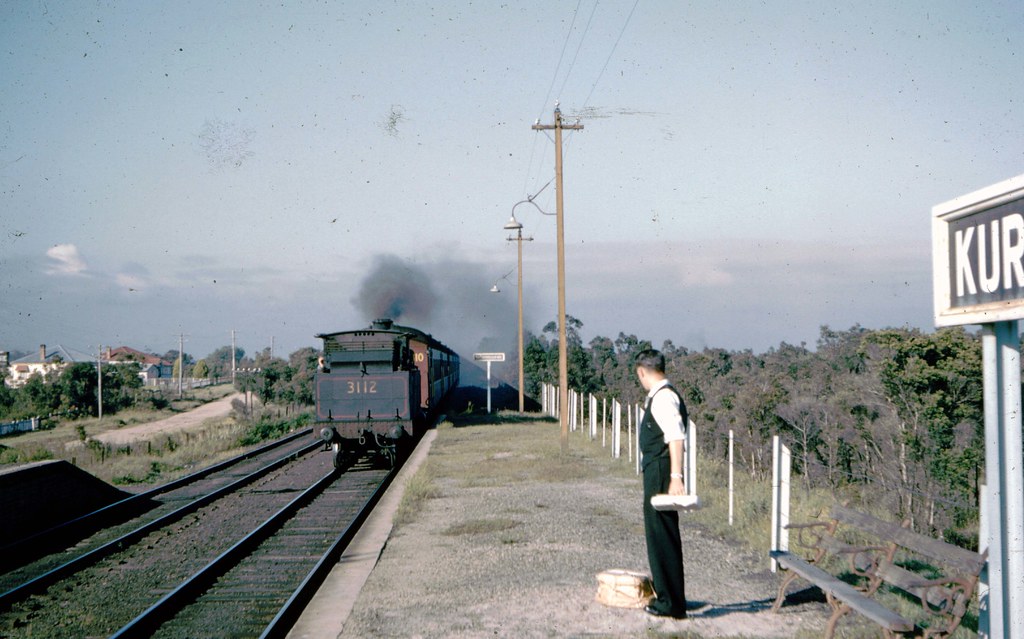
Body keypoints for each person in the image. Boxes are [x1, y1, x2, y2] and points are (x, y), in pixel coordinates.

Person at [634, 348, 688, 619]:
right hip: (658, 468)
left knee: (661, 535)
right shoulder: (659, 395)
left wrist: (676, 478)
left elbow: (676, 438)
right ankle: (669, 595)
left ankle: (671, 603)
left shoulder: (664, 397)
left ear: (642, 371)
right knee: (660, 534)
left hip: (662, 470)